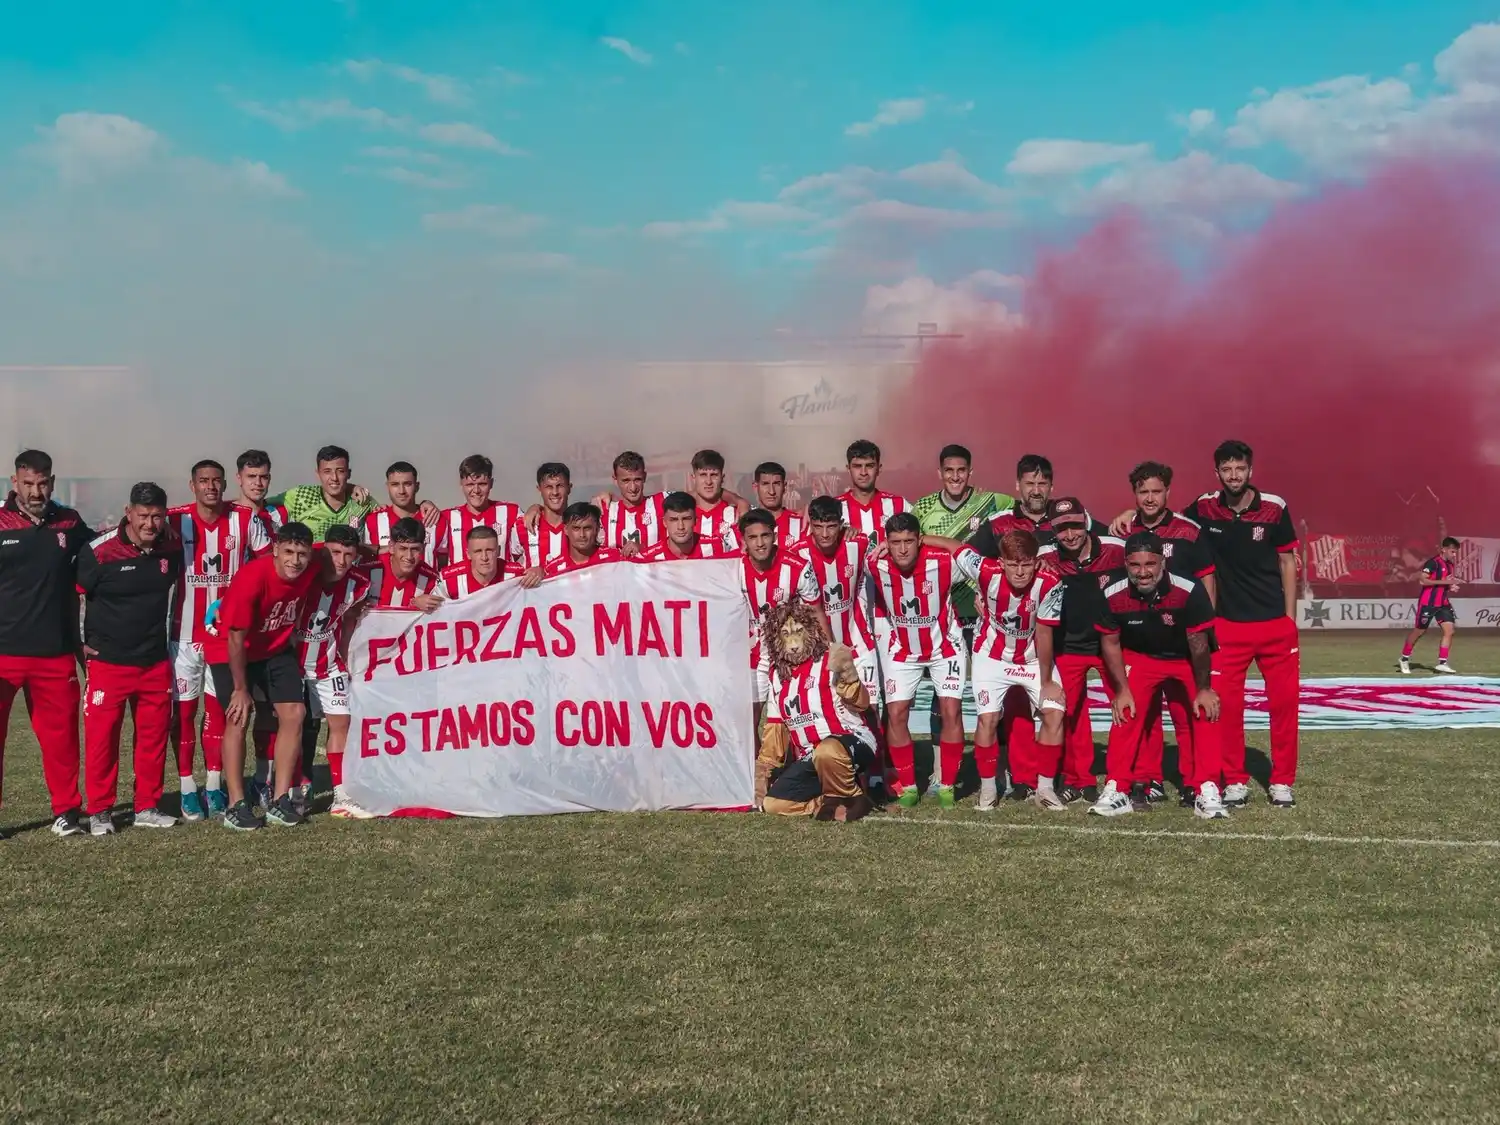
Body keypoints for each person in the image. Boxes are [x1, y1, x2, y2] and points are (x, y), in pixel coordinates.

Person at [1185, 440, 1300, 809]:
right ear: (1217, 473)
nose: (1233, 475)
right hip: (1227, 628)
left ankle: (1281, 781)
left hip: (1273, 626)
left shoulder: (1274, 507)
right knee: (1227, 708)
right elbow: (1165, 521)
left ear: (1251, 471)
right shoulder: (1204, 507)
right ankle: (1234, 779)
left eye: (1240, 468)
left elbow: (1287, 562)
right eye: (1226, 469)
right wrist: (1126, 513)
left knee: (1283, 706)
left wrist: (1289, 620)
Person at [1084, 531, 1228, 820]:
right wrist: (1121, 689)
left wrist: (1203, 688)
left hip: (1186, 658)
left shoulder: (1188, 588)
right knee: (1125, 710)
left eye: (1150, 564)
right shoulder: (1112, 592)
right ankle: (1118, 787)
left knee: (1205, 710)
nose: (1143, 572)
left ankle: (1206, 787)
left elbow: (1199, 644)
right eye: (1135, 565)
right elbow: (1110, 643)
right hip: (1143, 657)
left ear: (1163, 562)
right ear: (1125, 564)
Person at [922, 529, 1066, 811]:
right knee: (987, 719)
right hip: (991, 656)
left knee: (1055, 712)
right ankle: (988, 789)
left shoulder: (1051, 583)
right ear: (1001, 562)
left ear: (1036, 563)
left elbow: (1046, 633)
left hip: (1032, 659)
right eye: (1013, 564)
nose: (1020, 572)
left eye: (1026, 565)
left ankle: (1045, 788)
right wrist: (919, 538)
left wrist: (1048, 680)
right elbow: (957, 546)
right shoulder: (985, 570)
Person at [77, 483, 183, 835]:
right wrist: (77, 643)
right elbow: (68, 595)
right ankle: (100, 811)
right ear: (128, 512)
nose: (150, 523)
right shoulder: (100, 552)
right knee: (102, 740)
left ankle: (147, 806)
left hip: (153, 661)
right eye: (143, 515)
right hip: (109, 662)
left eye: (157, 516)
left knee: (152, 739)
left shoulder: (171, 546)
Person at [206, 522, 324, 831]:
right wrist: (241, 688)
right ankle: (236, 804)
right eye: (288, 552)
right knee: (237, 716)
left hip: (274, 648)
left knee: (295, 713)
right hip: (232, 649)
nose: (295, 560)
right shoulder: (253, 578)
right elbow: (234, 637)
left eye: (301, 553)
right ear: (274, 550)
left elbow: (345, 551)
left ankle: (280, 799)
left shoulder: (313, 565)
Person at [168, 459, 268, 821]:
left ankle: (213, 785)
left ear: (225, 485)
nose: (211, 487)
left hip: (225, 637)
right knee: (183, 713)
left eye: (217, 481)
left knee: (219, 713)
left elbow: (268, 560)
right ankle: (186, 787)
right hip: (183, 637)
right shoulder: (172, 519)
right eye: (203, 481)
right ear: (192, 485)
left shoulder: (244, 519)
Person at [0, 450, 93, 838]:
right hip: (3, 653)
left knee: (62, 740)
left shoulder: (70, 522)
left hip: (54, 653)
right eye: (28, 483)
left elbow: (102, 556)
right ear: (14, 483)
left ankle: (67, 812)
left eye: (43, 483)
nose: (36, 491)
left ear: (52, 483)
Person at [1114, 461, 1217, 803]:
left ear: (1168, 493)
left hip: (1184, 643)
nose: (1149, 498)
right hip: (1142, 640)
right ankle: (1149, 778)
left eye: (1156, 491)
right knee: (1146, 716)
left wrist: (1207, 627)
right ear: (1135, 494)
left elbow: (1206, 581)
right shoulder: (1123, 530)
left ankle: (1192, 781)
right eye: (1143, 491)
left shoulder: (1189, 531)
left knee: (1186, 713)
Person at [867, 513, 965, 808]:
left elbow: (966, 552)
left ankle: (947, 785)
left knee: (951, 710)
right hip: (903, 651)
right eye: (895, 542)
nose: (903, 549)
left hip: (945, 648)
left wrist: (930, 539)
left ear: (919, 541)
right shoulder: (876, 564)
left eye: (910, 541)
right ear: (886, 544)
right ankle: (908, 786)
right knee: (896, 713)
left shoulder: (942, 562)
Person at [1037, 498, 1125, 804]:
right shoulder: (1044, 555)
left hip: (1109, 645)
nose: (1070, 534)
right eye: (1062, 529)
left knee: (1125, 709)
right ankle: (1078, 779)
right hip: (1068, 645)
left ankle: (1123, 778)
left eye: (1075, 525)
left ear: (1086, 521)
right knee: (1070, 714)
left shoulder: (1116, 547)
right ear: (1053, 530)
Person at [755, 602, 876, 822]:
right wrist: (763, 771)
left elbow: (861, 704)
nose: (793, 643)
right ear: (776, 639)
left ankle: (854, 799)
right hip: (811, 756)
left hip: (851, 740)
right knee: (773, 804)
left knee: (827, 750)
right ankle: (822, 804)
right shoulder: (777, 677)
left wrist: (849, 678)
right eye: (785, 634)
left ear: (810, 630)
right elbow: (775, 729)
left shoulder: (829, 658)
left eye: (798, 632)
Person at [293, 524, 372, 820]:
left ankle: (340, 795)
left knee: (342, 724)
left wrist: (349, 658)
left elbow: (350, 618)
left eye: (348, 554)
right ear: (324, 550)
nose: (341, 560)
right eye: (335, 552)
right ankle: (294, 790)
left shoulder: (359, 585)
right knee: (294, 727)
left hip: (328, 665)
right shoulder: (303, 569)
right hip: (293, 663)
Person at [738, 508, 824, 736]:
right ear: (744, 541)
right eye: (752, 537)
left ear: (774, 536)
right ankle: (753, 771)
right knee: (749, 720)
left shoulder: (797, 567)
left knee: (798, 716)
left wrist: (829, 653)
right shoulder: (733, 568)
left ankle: (797, 769)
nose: (759, 543)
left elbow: (816, 611)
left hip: (789, 651)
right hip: (751, 653)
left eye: (765, 536)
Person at [910, 444, 1014, 622]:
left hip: (979, 606)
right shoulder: (922, 507)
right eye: (949, 471)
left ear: (970, 473)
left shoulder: (990, 501)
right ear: (940, 473)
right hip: (937, 607)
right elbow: (907, 545)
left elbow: (1029, 510)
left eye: (961, 470)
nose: (956, 477)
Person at [273, 445, 379, 543]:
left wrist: (351, 487)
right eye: (327, 471)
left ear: (349, 473)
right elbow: (260, 502)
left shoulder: (362, 501)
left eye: (340, 471)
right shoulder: (301, 496)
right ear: (318, 474)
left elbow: (387, 516)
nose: (334, 478)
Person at [434, 455, 521, 568]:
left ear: (491, 483)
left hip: (500, 584)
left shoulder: (511, 512)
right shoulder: (447, 517)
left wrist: (536, 507)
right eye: (470, 484)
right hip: (462, 585)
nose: (476, 490)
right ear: (461, 485)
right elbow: (439, 561)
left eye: (482, 484)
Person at [1401, 537, 1462, 674]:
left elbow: (1443, 583)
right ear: (1444, 549)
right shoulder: (1432, 563)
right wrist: (1445, 583)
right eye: (1452, 552)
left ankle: (1442, 662)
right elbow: (1423, 581)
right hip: (1428, 603)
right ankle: (1404, 659)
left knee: (1449, 631)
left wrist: (1450, 587)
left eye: (1455, 552)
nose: (1454, 555)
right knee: (1419, 632)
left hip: (1443, 603)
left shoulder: (1450, 565)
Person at [360, 461, 436, 565]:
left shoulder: (434, 518)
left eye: (407, 484)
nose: (401, 491)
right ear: (387, 487)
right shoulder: (372, 520)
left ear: (417, 486)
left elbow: (443, 561)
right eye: (395, 484)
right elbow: (365, 555)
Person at [838, 439, 908, 542]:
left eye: (869, 466)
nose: (863, 472)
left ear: (879, 469)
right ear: (848, 469)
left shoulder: (900, 505)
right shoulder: (834, 508)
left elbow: (917, 539)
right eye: (857, 466)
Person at [634, 492, 738, 562]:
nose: (680, 526)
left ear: (696, 521)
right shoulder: (649, 558)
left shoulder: (718, 546)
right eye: (674, 520)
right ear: (665, 522)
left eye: (686, 518)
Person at [596, 451, 664, 556]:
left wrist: (642, 548)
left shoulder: (661, 502)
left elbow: (694, 497)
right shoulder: (604, 510)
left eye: (637, 480)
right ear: (615, 480)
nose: (633, 488)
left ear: (645, 477)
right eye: (626, 481)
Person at [366, 518, 444, 609]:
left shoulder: (432, 579)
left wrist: (432, 605)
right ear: (391, 547)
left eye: (415, 549)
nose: (409, 556)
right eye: (403, 549)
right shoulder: (368, 572)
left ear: (423, 548)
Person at [512, 462, 573, 570]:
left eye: (560, 486)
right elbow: (507, 564)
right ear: (539, 489)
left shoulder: (580, 526)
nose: (555, 492)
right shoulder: (523, 525)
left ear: (569, 488)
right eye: (549, 487)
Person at [541, 503, 623, 576]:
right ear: (565, 529)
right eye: (576, 528)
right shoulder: (552, 571)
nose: (582, 535)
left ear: (597, 528)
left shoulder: (616, 558)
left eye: (587, 528)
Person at [443, 526, 526, 596]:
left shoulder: (519, 575)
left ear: (499, 551)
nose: (484, 557)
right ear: (468, 554)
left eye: (489, 550)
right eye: (478, 551)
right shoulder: (448, 580)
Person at [688, 449, 745, 547]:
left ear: (722, 478)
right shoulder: (681, 515)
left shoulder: (738, 514)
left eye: (714, 475)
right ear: (693, 478)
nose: (708, 482)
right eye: (703, 475)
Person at [751, 462, 806, 545]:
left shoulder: (801, 525)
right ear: (755, 487)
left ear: (784, 487)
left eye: (777, 484)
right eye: (765, 484)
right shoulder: (744, 522)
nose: (771, 491)